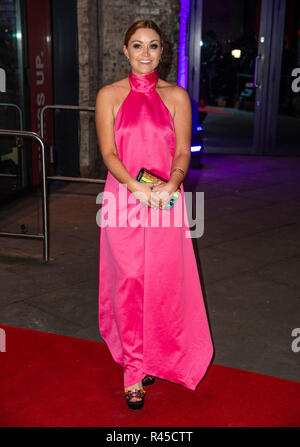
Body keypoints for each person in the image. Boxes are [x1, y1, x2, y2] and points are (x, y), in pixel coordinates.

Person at [95, 19, 214, 410]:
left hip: (165, 198)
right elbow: (109, 154)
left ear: (163, 51)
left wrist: (172, 183)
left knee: (162, 283)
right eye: (137, 46)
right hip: (124, 198)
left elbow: (182, 151)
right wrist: (135, 186)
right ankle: (133, 370)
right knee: (130, 280)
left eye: (153, 46)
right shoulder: (109, 95)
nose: (145, 53)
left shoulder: (177, 96)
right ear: (125, 51)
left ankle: (156, 357)